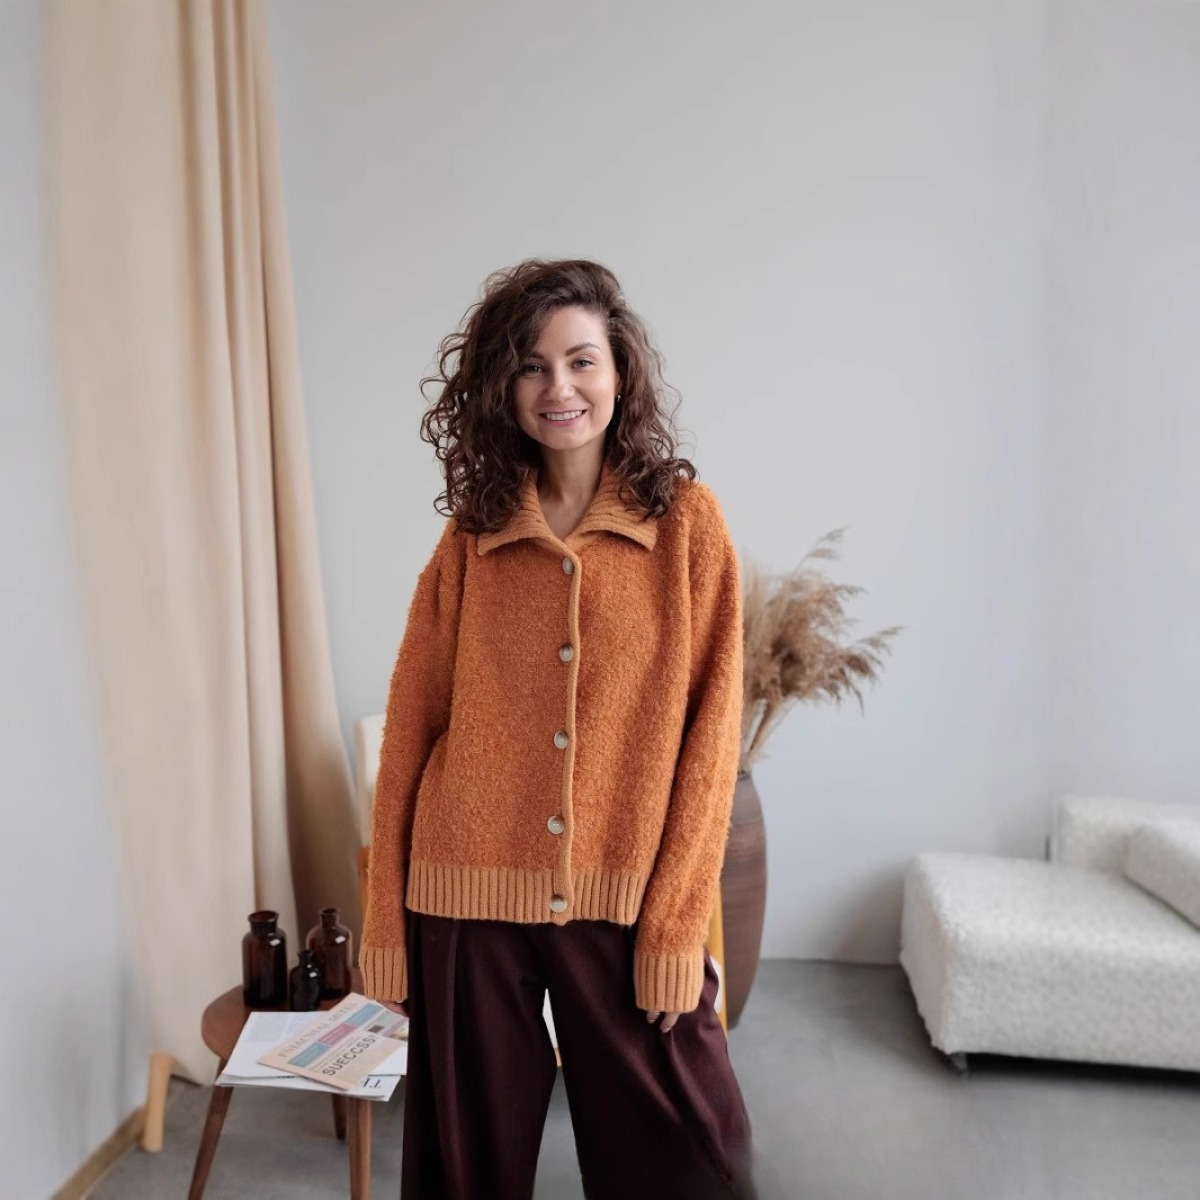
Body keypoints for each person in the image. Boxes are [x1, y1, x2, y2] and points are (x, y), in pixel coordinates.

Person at [361, 258, 756, 1200]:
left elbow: (711, 743)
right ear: (503, 387)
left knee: (694, 1160)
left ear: (620, 373)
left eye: (581, 361)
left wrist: (675, 926)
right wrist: (384, 926)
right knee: (462, 1172)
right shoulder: (474, 534)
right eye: (532, 367)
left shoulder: (686, 527)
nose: (559, 388)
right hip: (464, 896)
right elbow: (412, 726)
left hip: (623, 899)